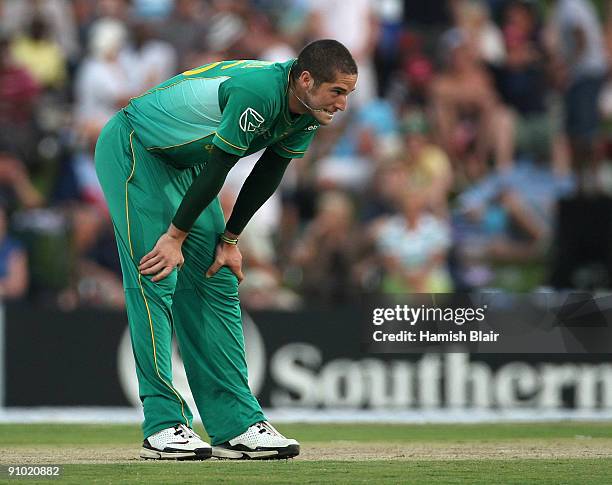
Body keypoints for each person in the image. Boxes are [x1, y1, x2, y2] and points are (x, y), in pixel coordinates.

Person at [94, 39, 357, 460]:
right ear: (306, 80)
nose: (342, 104)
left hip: (186, 164)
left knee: (216, 280)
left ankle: (236, 425)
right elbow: (222, 165)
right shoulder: (260, 92)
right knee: (156, 274)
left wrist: (230, 240)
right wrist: (175, 235)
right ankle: (163, 426)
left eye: (348, 94)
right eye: (338, 92)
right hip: (135, 146)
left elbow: (270, 170)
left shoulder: (309, 110)